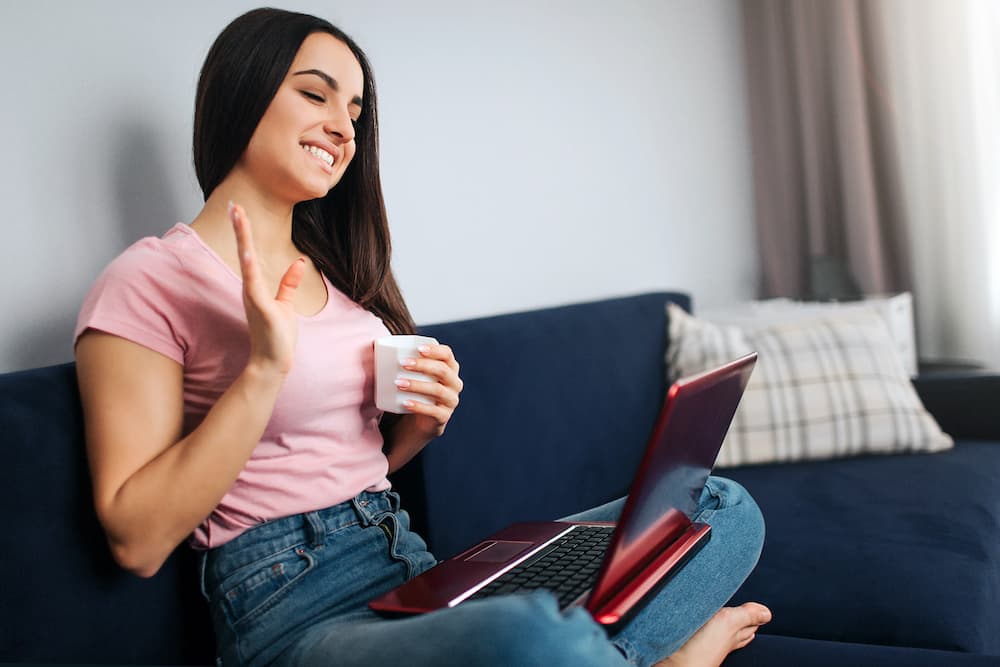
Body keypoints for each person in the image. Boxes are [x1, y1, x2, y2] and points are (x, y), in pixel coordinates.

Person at [74, 8, 770, 667]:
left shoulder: (341, 281)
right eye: (316, 95)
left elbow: (343, 459)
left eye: (354, 112)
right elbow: (136, 537)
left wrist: (416, 430)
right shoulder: (150, 278)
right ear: (242, 91)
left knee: (717, 508)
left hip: (413, 569)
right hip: (295, 609)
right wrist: (263, 370)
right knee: (528, 635)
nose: (343, 128)